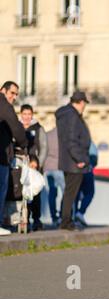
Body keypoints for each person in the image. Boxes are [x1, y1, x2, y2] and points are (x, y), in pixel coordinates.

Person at [55, 91, 91, 231]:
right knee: (71, 193)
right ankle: (66, 222)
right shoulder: (72, 116)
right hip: (75, 162)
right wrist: (80, 159)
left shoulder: (66, 114)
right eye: (84, 104)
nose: (84, 107)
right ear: (80, 102)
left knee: (69, 192)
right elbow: (71, 140)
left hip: (69, 161)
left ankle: (65, 219)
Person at [0, 81, 27, 236]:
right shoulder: (4, 104)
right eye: (12, 93)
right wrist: (24, 143)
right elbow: (17, 128)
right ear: (3, 90)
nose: (14, 97)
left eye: (17, 94)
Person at [19, 104, 48, 231]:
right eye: (24, 114)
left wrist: (38, 163)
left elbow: (44, 148)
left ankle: (36, 219)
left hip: (34, 166)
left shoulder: (38, 129)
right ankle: (23, 218)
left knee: (35, 194)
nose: (26, 117)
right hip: (20, 165)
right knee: (21, 193)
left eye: (29, 114)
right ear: (21, 114)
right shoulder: (16, 127)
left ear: (32, 115)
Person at [42, 127, 65, 227]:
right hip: (59, 167)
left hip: (48, 167)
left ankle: (54, 217)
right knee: (65, 192)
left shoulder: (47, 135)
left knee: (52, 193)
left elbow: (43, 150)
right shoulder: (64, 135)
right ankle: (62, 215)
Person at [74, 141, 98, 227]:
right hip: (87, 171)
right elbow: (94, 159)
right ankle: (80, 212)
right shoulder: (90, 143)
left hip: (75, 172)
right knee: (90, 193)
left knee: (76, 194)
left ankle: (75, 214)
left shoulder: (73, 142)